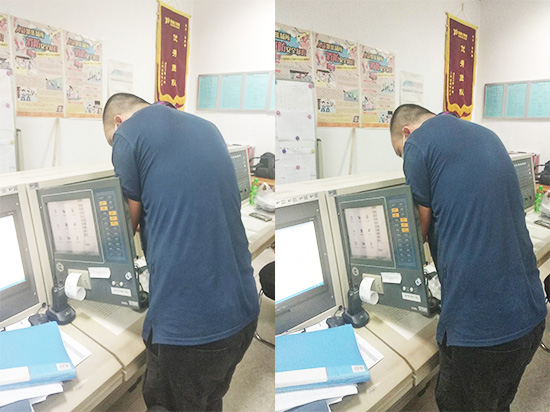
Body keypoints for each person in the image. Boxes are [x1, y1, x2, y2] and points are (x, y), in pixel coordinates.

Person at [102, 93, 260, 412]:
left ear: (118, 122)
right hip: (243, 312)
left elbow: (123, 228)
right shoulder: (207, 127)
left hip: (192, 332)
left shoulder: (127, 134)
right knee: (207, 399)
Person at [389, 104, 547, 411]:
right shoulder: (486, 134)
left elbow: (418, 231)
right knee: (496, 403)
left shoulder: (417, 143)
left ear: (406, 133)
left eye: (400, 152)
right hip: (530, 315)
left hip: (484, 334)